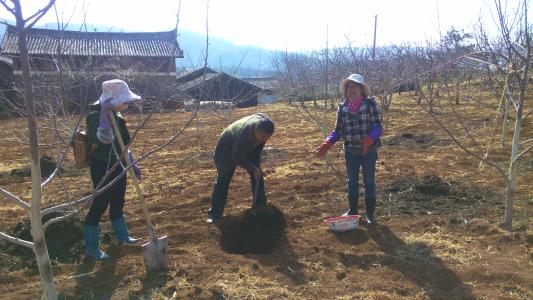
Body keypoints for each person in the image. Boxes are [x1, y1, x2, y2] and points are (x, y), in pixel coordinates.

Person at [84, 79, 143, 260]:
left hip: (119, 165)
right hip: (102, 166)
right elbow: (103, 140)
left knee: (118, 200)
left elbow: (125, 145)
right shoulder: (94, 117)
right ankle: (92, 248)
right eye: (124, 101)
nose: (127, 104)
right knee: (101, 203)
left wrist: (132, 163)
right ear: (112, 100)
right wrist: (103, 115)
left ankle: (123, 236)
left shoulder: (119, 118)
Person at [315, 74, 383, 224]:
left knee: (369, 181)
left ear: (361, 89)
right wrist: (328, 143)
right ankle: (353, 211)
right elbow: (338, 130)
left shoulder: (371, 105)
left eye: (355, 87)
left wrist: (369, 139)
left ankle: (370, 215)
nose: (352, 90)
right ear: (346, 91)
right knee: (352, 181)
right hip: (351, 150)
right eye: (349, 87)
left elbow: (378, 127)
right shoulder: (343, 108)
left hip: (368, 151)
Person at [207, 113, 275, 223]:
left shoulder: (265, 128)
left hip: (245, 146)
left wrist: (255, 167)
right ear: (256, 131)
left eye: (267, 138)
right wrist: (252, 167)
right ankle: (214, 213)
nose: (264, 140)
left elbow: (257, 149)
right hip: (226, 150)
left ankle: (260, 205)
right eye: (262, 137)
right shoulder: (245, 134)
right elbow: (237, 157)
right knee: (223, 179)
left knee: (257, 174)